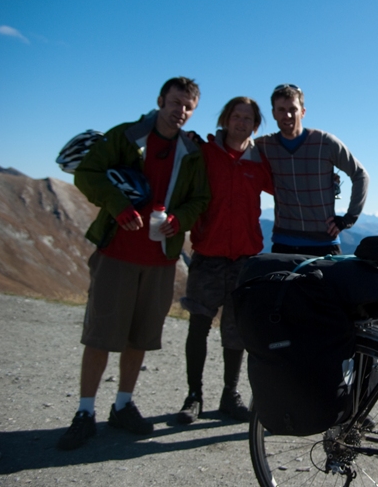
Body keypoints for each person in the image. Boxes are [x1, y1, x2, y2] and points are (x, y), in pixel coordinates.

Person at [57, 77, 210, 451]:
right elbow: (87, 173)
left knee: (139, 336)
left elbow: (199, 198)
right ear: (160, 100)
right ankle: (84, 412)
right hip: (117, 254)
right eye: (176, 103)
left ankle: (123, 404)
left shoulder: (190, 151)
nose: (181, 111)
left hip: (160, 259)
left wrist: (180, 221)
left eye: (188, 107)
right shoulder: (127, 137)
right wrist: (117, 205)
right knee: (100, 336)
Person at [176, 97, 274, 424]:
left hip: (245, 258)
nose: (241, 122)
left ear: (256, 126)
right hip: (208, 255)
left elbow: (287, 187)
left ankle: (229, 395)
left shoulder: (260, 162)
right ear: (225, 119)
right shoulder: (205, 153)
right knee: (199, 326)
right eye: (236, 116)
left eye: (248, 118)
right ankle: (194, 396)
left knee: (235, 332)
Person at [256, 84, 369, 257]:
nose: (287, 115)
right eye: (281, 109)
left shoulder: (325, 142)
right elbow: (233, 150)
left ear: (303, 112)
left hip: (324, 244)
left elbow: (360, 175)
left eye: (293, 109)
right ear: (273, 113)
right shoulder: (264, 145)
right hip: (284, 245)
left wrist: (348, 219)